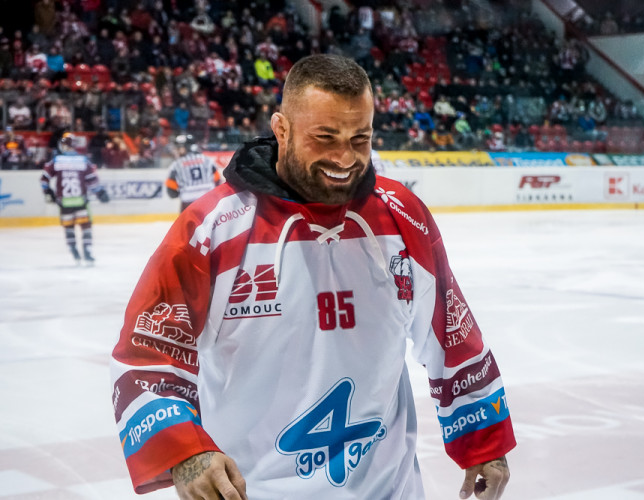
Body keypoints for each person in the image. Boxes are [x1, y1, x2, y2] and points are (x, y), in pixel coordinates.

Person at [111, 54, 515, 500]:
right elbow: (148, 355)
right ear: (281, 129)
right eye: (324, 138)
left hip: (387, 490)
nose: (345, 157)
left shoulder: (402, 218)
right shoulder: (212, 230)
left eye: (359, 138)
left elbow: (451, 334)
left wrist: (484, 440)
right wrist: (185, 452)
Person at [40, 132, 110, 264]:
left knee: (69, 227)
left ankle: (73, 250)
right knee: (86, 226)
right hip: (80, 201)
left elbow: (44, 179)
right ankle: (87, 251)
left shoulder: (56, 161)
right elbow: (92, 181)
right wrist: (100, 193)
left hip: (64, 202)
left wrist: (48, 192)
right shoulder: (83, 161)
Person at [165, 134, 222, 212]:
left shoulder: (176, 165)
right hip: (209, 201)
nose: (177, 150)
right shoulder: (208, 161)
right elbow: (218, 181)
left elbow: (171, 191)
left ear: (187, 147)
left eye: (180, 147)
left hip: (188, 203)